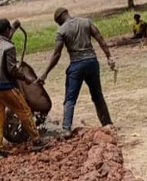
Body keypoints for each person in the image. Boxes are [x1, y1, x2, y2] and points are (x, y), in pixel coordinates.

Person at [39, 8, 115, 139]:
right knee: (97, 95)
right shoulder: (86, 22)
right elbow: (100, 38)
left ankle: (66, 129)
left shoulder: (62, 30)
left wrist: (45, 73)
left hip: (76, 65)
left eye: (58, 22)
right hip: (92, 62)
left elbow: (57, 54)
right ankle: (107, 123)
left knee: (70, 99)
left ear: (60, 17)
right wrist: (109, 56)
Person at [0, 18, 47, 157]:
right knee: (24, 111)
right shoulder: (8, 47)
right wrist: (25, 78)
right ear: (7, 30)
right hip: (5, 86)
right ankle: (37, 141)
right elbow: (12, 70)